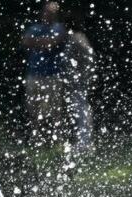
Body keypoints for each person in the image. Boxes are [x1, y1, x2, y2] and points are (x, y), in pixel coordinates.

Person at [22, 1, 68, 149]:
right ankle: (37, 139)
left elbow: (53, 41)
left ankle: (57, 140)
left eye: (52, 12)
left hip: (52, 75)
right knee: (33, 108)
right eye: (47, 12)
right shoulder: (35, 27)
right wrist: (45, 42)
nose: (48, 14)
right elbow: (26, 41)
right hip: (34, 74)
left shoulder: (59, 28)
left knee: (55, 110)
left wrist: (38, 42)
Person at [63, 20, 95, 153]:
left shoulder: (77, 38)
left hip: (78, 81)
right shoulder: (78, 38)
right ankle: (83, 141)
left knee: (80, 111)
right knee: (79, 110)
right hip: (77, 80)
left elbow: (86, 58)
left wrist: (79, 75)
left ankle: (84, 143)